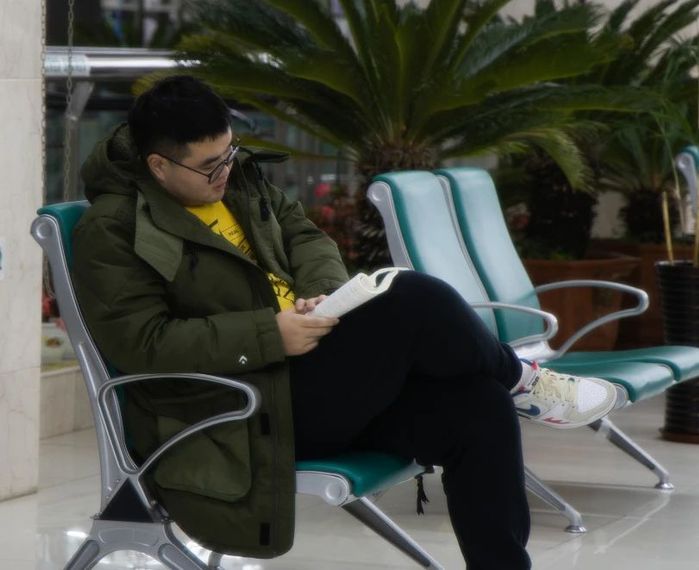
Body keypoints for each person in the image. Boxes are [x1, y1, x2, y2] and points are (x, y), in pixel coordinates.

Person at [72, 75, 618, 569]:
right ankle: (523, 380)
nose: (225, 171)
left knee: (480, 407)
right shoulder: (114, 230)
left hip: (315, 374)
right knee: (412, 296)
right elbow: (142, 342)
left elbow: (306, 237)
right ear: (159, 166)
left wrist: (320, 293)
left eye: (229, 152)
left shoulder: (241, 184)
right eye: (209, 165)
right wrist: (270, 333)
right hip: (245, 407)